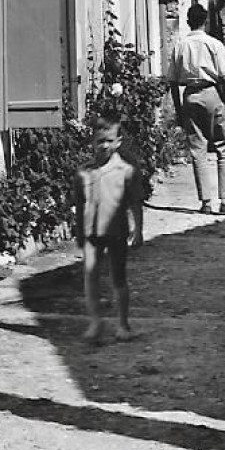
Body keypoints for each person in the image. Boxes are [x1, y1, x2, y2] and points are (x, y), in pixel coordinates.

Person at [165, 2, 225, 215]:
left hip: (190, 95)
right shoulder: (214, 44)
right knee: (223, 146)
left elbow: (172, 82)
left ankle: (206, 202)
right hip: (211, 93)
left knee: (197, 149)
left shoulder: (180, 46)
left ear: (188, 21)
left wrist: (179, 110)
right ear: (205, 21)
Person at [71, 117, 145, 344]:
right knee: (90, 275)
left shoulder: (126, 171)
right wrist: (79, 232)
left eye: (109, 141)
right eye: (99, 141)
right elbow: (77, 204)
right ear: (92, 141)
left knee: (118, 278)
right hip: (91, 233)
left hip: (117, 231)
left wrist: (139, 230)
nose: (104, 145)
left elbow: (135, 203)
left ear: (118, 142)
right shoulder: (83, 173)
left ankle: (123, 324)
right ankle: (95, 322)